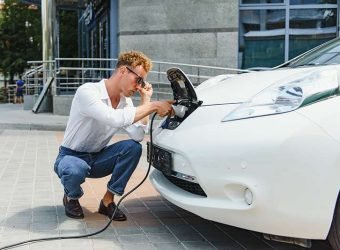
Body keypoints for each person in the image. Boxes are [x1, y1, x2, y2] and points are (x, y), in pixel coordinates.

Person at [54, 51, 173, 220]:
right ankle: (71, 197)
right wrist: (153, 106)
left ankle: (107, 201)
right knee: (74, 170)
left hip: (98, 158)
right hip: (71, 157)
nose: (139, 86)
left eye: (143, 82)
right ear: (123, 71)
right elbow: (113, 118)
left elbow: (138, 135)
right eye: (138, 79)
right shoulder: (88, 91)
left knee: (133, 148)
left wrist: (146, 100)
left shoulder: (126, 102)